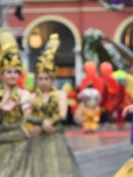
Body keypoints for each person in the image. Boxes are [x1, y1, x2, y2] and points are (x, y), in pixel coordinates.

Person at [25, 33, 81, 176]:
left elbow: (62, 114)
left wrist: (49, 123)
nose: (43, 81)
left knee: (56, 169)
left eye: (46, 78)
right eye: (40, 78)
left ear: (52, 79)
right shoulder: (32, 96)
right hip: (37, 137)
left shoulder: (59, 94)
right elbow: (27, 114)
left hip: (54, 135)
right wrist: (40, 123)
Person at [0, 28, 32, 177]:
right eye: (8, 72)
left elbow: (29, 118)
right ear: (1, 74)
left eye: (16, 72)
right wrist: (0, 108)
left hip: (20, 143)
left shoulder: (24, 94)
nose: (13, 75)